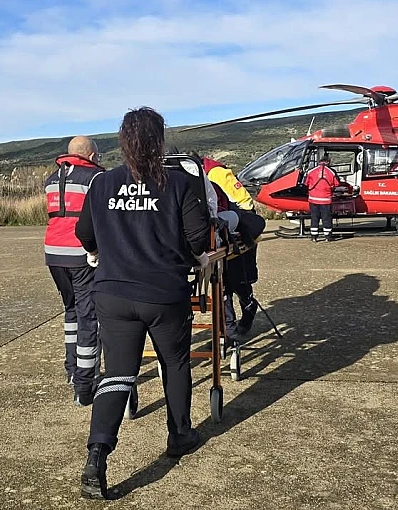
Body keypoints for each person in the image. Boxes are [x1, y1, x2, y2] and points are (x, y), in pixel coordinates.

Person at [75, 107, 211, 500]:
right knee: (175, 362)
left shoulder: (102, 184)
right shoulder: (181, 182)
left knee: (117, 373)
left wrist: (107, 248)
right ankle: (179, 434)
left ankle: (97, 456)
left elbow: (85, 233)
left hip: (113, 292)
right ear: (160, 140)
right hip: (164, 293)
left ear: (122, 140)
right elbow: (198, 239)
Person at [44, 135, 104, 406]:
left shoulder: (51, 179)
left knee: (71, 312)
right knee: (88, 316)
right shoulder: (94, 178)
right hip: (81, 254)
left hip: (53, 254)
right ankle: (85, 381)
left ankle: (71, 369)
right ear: (91, 156)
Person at [196, 153, 262, 339]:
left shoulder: (216, 173)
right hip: (216, 236)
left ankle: (248, 306)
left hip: (239, 232)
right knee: (221, 286)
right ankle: (227, 333)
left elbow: (244, 202)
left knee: (239, 281)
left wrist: (234, 224)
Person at [303, 153, 341, 242]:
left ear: (319, 162)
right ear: (328, 162)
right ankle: (328, 237)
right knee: (326, 218)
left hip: (313, 199)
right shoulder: (331, 171)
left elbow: (306, 183)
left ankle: (314, 237)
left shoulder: (311, 171)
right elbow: (337, 184)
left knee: (314, 218)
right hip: (326, 200)